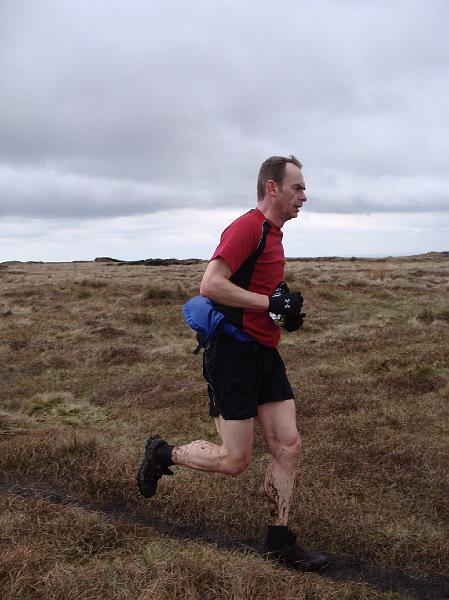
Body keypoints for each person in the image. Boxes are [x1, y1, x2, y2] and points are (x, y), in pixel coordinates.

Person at [137, 155, 328, 571]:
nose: (304, 196)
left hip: (264, 353)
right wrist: (268, 303)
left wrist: (282, 314)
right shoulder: (247, 228)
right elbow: (211, 284)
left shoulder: (275, 235)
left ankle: (279, 539)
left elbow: (258, 295)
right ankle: (163, 453)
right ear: (272, 188)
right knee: (234, 460)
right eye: (297, 187)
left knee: (288, 444)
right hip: (233, 355)